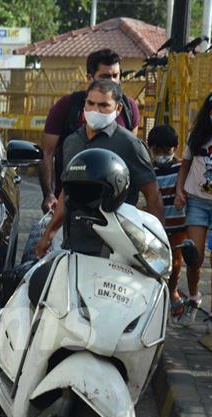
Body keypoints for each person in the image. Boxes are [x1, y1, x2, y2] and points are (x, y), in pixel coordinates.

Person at [35, 79, 163, 258]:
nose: (95, 110)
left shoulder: (129, 144)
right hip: (74, 244)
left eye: (104, 105)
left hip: (115, 248)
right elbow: (67, 192)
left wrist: (154, 247)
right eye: (90, 103)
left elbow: (153, 195)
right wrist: (48, 235)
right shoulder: (72, 142)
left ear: (118, 109)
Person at [39, 48, 141, 213]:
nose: (112, 82)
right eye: (105, 77)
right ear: (89, 78)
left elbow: (130, 155)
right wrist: (49, 194)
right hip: (71, 204)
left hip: (116, 206)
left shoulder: (129, 108)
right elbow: (47, 153)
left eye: (116, 76)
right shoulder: (67, 106)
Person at [174, 91, 212, 324]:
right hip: (197, 202)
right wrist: (180, 190)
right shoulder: (197, 136)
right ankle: (194, 295)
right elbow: (184, 166)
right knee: (194, 255)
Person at [147, 125, 187, 316]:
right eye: (157, 151)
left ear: (175, 148)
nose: (162, 155)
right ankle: (155, 295)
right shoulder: (147, 171)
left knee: (176, 262)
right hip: (156, 227)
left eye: (167, 151)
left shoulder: (180, 169)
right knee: (155, 261)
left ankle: (172, 292)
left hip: (178, 225)